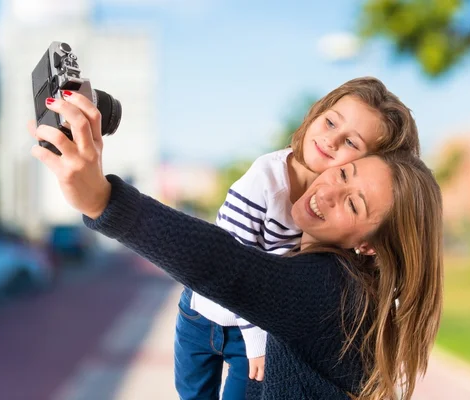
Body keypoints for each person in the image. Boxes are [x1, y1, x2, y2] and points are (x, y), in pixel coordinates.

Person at [28, 92, 443, 400]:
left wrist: (103, 199)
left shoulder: (332, 289)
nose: (331, 189)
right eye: (345, 173)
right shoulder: (351, 286)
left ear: (368, 246)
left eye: (354, 203)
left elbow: (226, 265)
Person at [177, 77, 420, 399]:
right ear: (315, 114)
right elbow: (232, 269)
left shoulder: (337, 211)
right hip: (204, 314)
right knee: (191, 393)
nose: (331, 140)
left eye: (352, 143)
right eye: (330, 122)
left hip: (252, 328)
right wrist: (257, 344)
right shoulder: (265, 179)